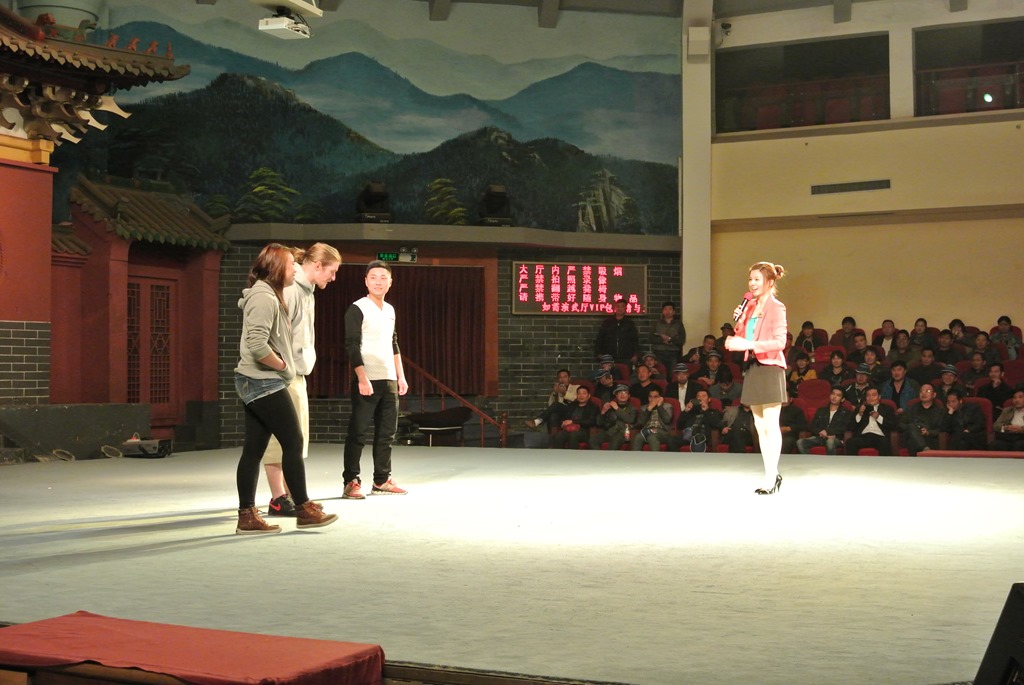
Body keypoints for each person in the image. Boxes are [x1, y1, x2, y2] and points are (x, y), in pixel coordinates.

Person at [233, 243, 338, 534]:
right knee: (292, 442)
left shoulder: (269, 293)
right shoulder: (264, 297)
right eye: (292, 264)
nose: (295, 268)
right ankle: (303, 508)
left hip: (260, 379)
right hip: (263, 380)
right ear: (278, 268)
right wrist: (284, 367)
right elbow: (257, 345)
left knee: (254, 449)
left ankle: (247, 516)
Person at [261, 243, 342, 518]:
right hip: (283, 374)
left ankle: (293, 495)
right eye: (331, 271)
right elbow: (274, 334)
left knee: (296, 440)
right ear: (317, 266)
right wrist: (282, 369)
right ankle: (278, 498)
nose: (333, 278)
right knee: (281, 439)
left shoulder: (306, 291)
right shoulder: (292, 288)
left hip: (296, 373)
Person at [342, 260, 410, 500]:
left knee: (386, 434)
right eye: (373, 277)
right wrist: (362, 378)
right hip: (367, 379)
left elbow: (394, 343)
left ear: (390, 282)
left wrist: (400, 376)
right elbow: (352, 345)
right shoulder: (357, 308)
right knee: (358, 432)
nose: (378, 282)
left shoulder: (390, 310)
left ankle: (381, 479)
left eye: (383, 277)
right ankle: (351, 480)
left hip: (388, 378)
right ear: (366, 281)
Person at [725, 261, 788, 494]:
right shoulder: (750, 306)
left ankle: (771, 477)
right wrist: (740, 322)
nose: (752, 283)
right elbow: (743, 336)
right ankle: (772, 473)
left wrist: (748, 344)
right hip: (752, 366)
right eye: (750, 279)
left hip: (770, 367)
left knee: (771, 424)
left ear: (769, 282)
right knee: (759, 426)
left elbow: (780, 342)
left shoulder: (777, 307)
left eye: (757, 279)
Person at [797, 388, 851, 455]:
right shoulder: (821, 410)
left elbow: (844, 428)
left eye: (838, 395)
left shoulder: (846, 413)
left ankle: (830, 462)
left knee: (830, 442)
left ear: (842, 399)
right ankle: (811, 460)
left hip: (836, 438)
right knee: (800, 442)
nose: (834, 397)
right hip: (820, 437)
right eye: (833, 394)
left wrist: (827, 432)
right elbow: (812, 426)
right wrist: (821, 432)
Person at [845, 386, 897, 456]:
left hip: (880, 437)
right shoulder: (860, 409)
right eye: (868, 395)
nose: (870, 398)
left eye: (873, 395)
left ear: (879, 397)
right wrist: (859, 415)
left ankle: (885, 463)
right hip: (863, 437)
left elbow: (893, 425)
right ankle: (853, 463)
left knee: (884, 442)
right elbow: (850, 427)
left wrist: (878, 417)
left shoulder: (887, 409)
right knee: (850, 442)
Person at [900, 384, 944, 456]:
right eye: (921, 391)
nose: (923, 393)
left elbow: (941, 429)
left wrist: (928, 432)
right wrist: (913, 429)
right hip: (911, 437)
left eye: (927, 391)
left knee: (913, 438)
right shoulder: (912, 408)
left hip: (929, 438)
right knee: (912, 429)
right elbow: (901, 424)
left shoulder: (940, 411)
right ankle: (925, 449)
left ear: (934, 395)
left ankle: (923, 449)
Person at [595, 298, 639, 368]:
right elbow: (600, 338)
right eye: (618, 306)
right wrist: (598, 353)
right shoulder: (607, 323)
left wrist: (636, 354)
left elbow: (635, 340)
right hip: (609, 357)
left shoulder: (630, 324)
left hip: (626, 357)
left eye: (622, 306)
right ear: (615, 308)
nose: (620, 308)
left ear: (626, 308)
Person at [591, 384, 637, 451]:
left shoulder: (632, 409)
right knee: (592, 441)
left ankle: (609, 458)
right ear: (616, 396)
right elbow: (599, 423)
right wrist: (603, 412)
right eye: (619, 393)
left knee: (614, 443)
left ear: (628, 396)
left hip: (621, 433)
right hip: (608, 431)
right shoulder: (610, 407)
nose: (622, 395)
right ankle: (600, 456)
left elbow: (630, 420)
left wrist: (617, 408)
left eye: (625, 393)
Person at [651, 301, 685, 372]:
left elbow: (682, 339)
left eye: (670, 309)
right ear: (662, 311)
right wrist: (662, 340)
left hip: (673, 353)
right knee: (660, 373)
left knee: (673, 374)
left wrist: (670, 339)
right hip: (659, 352)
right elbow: (651, 338)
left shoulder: (678, 324)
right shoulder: (657, 323)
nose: (667, 311)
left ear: (674, 312)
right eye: (665, 309)